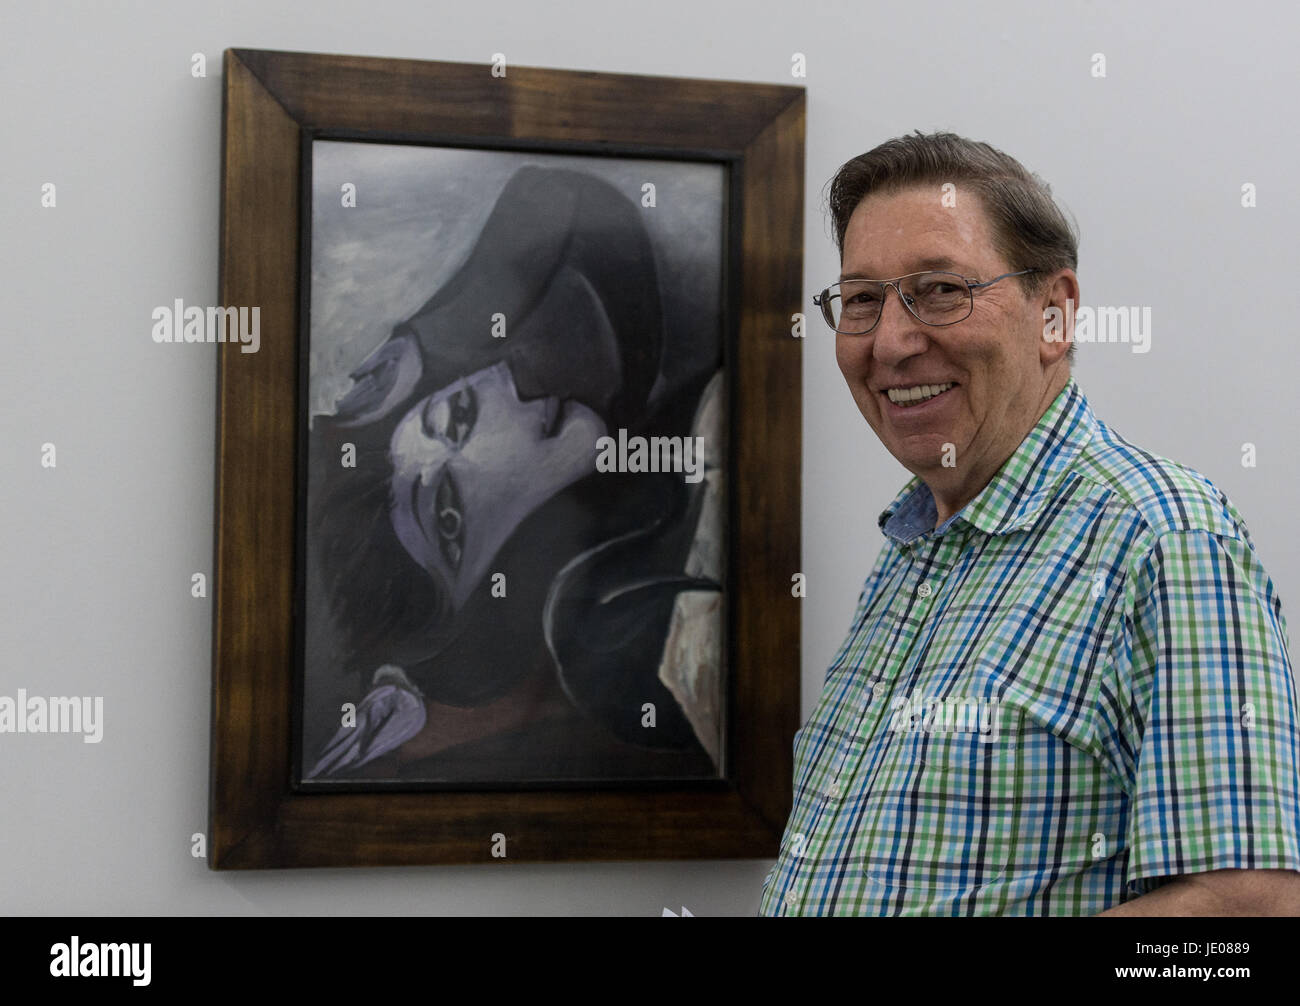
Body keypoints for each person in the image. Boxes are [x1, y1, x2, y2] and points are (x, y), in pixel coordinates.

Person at [759, 131, 1300, 916]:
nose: (891, 341)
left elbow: (1248, 910)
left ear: (1056, 313)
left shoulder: (1164, 539)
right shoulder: (912, 551)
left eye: (940, 289)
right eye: (863, 300)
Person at [302, 164, 724, 783]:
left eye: (458, 414)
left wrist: (425, 342)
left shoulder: (616, 398)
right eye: (448, 516)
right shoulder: (628, 657)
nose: (501, 432)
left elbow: (561, 198)